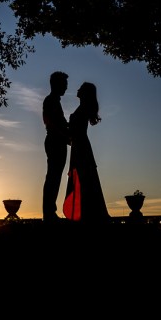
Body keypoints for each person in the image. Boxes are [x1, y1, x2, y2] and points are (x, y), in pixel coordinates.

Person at [63, 82, 110, 223]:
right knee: (84, 178)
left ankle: (86, 214)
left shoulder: (83, 109)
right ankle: (86, 213)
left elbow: (74, 131)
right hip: (80, 145)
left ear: (84, 93)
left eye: (81, 88)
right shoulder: (82, 108)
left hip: (81, 146)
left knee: (84, 178)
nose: (77, 89)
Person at [42, 71, 70, 223]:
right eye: (64, 84)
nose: (66, 88)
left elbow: (60, 122)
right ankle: (49, 214)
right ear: (57, 84)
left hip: (57, 141)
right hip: (55, 142)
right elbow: (51, 123)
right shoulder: (51, 101)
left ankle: (50, 213)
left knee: (55, 177)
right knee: (53, 177)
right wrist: (66, 136)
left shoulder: (54, 101)